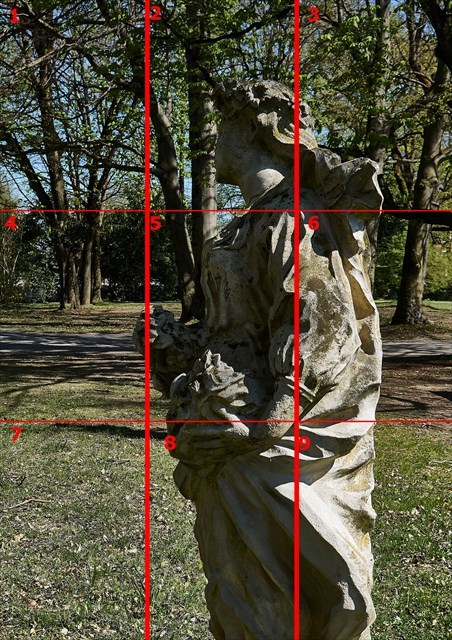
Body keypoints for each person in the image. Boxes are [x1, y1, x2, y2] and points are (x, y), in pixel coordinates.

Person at [148, 79, 382, 640]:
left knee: (279, 602)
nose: (212, 137)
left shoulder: (292, 219)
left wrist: (256, 429)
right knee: (240, 597)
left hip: (272, 447)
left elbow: (319, 331)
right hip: (232, 443)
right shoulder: (244, 226)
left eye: (224, 122)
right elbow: (234, 337)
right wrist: (169, 349)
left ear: (258, 128)